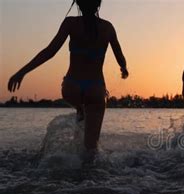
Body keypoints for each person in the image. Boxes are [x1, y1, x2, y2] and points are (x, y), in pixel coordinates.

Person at [8, 0, 128, 154]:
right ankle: (90, 174)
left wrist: (22, 72)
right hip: (96, 88)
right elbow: (120, 57)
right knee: (91, 150)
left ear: (78, 3)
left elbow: (50, 51)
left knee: (81, 110)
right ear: (98, 4)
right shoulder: (107, 28)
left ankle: (80, 113)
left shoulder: (71, 23)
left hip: (72, 87)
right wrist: (124, 69)